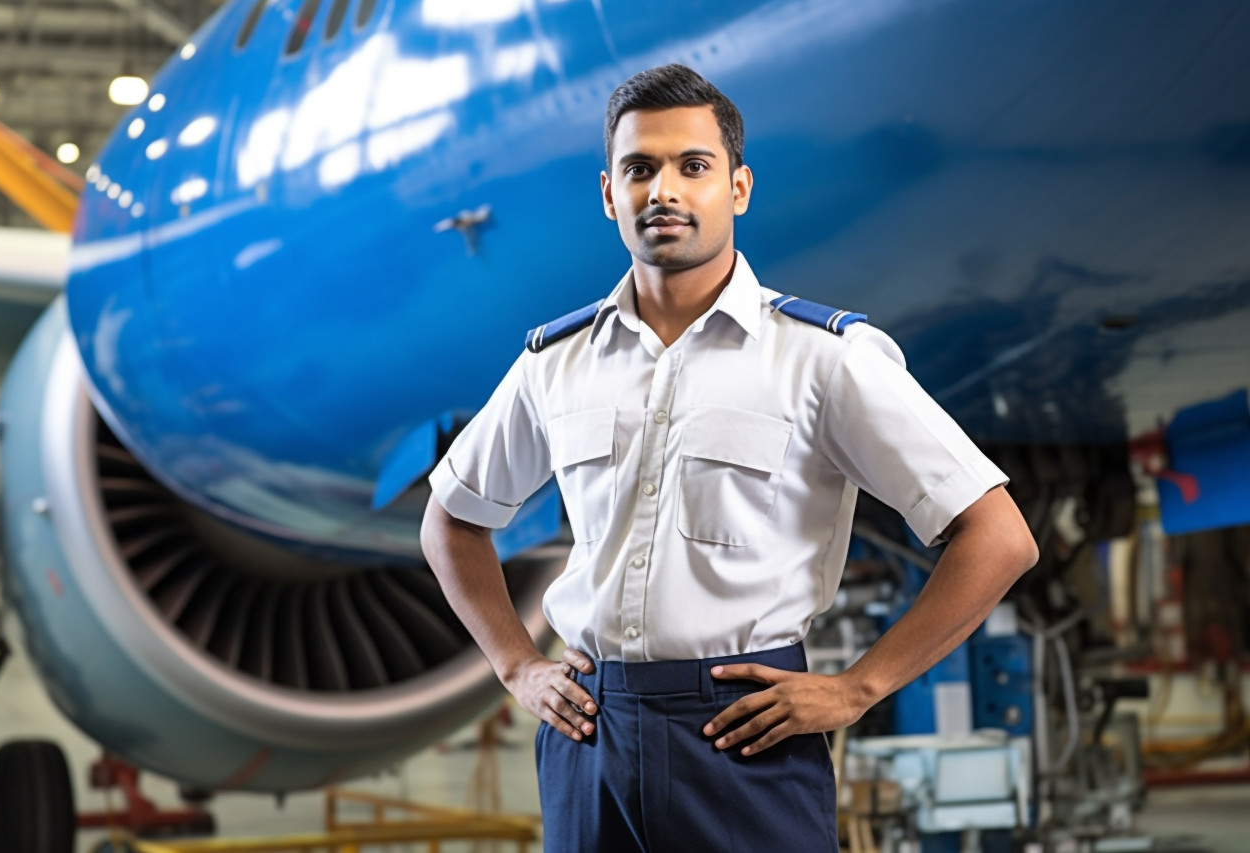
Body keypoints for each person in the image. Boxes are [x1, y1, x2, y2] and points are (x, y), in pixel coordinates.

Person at [420, 63, 1038, 852]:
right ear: (609, 194)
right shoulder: (556, 362)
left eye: (694, 166)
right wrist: (516, 665)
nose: (664, 191)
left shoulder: (823, 360)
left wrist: (860, 686)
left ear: (738, 188)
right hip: (588, 730)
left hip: (742, 732)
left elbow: (999, 535)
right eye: (639, 169)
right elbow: (452, 520)